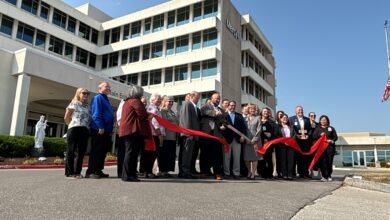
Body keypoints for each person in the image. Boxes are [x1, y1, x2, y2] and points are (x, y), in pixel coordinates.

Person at [118, 85, 151, 182]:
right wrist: (149, 116)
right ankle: (128, 175)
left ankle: (129, 174)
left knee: (130, 153)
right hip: (133, 131)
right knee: (132, 153)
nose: (142, 94)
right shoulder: (136, 101)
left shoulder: (127, 102)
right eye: (141, 92)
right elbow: (142, 115)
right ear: (138, 93)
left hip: (128, 130)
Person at [86, 81, 114, 179]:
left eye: (109, 87)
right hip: (99, 129)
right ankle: (91, 171)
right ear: (100, 88)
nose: (108, 88)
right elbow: (96, 114)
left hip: (106, 130)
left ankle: (98, 170)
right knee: (96, 151)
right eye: (106, 86)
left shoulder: (106, 99)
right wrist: (100, 126)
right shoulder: (98, 98)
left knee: (102, 151)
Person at [63, 88, 90, 179]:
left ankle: (77, 172)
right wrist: (70, 125)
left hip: (84, 130)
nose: (86, 95)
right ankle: (70, 173)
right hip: (74, 129)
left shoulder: (87, 106)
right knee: (71, 151)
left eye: (87, 93)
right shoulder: (74, 103)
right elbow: (66, 117)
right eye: (84, 93)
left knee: (81, 152)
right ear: (78, 94)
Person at [199, 92, 224, 180]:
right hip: (206, 133)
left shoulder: (221, 110)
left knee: (216, 154)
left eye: (219, 99)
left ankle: (217, 173)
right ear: (211, 98)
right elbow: (203, 111)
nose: (218, 100)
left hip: (216, 135)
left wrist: (223, 126)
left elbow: (223, 120)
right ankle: (204, 172)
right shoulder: (205, 106)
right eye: (216, 98)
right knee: (204, 153)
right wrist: (215, 113)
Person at [140, 93, 164, 178]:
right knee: (151, 154)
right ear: (152, 100)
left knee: (150, 154)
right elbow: (154, 123)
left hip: (154, 134)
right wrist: (159, 134)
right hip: (153, 135)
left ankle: (146, 171)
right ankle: (148, 171)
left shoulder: (157, 109)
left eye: (160, 99)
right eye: (158, 99)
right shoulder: (152, 109)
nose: (160, 100)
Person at [221, 101, 246, 179]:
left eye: (234, 105)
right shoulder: (224, 115)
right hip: (226, 140)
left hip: (237, 140)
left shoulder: (239, 116)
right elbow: (220, 125)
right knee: (226, 158)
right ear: (228, 106)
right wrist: (221, 128)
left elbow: (243, 127)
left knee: (237, 158)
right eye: (231, 105)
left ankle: (236, 173)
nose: (232, 107)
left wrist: (243, 136)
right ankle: (227, 173)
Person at [179, 91, 200, 179]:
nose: (198, 99)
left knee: (189, 154)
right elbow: (186, 119)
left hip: (193, 134)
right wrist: (188, 133)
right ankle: (184, 172)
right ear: (192, 96)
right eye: (197, 97)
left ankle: (187, 171)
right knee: (186, 153)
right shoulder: (187, 104)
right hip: (188, 134)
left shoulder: (193, 106)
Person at [289, 106, 312, 179]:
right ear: (295, 111)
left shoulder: (307, 119)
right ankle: (293, 173)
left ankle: (305, 173)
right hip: (296, 141)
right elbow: (291, 130)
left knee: (304, 158)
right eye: (298, 110)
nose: (300, 111)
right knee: (295, 158)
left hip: (305, 142)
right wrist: (297, 136)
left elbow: (310, 129)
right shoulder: (291, 119)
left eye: (301, 110)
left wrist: (308, 135)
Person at [313, 115, 338, 182]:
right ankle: (324, 176)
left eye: (325, 120)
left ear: (327, 121)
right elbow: (314, 136)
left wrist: (332, 140)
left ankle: (329, 176)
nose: (323, 121)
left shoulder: (331, 128)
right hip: (321, 147)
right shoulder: (318, 128)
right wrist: (319, 135)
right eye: (322, 120)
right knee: (323, 162)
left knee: (329, 161)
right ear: (320, 121)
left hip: (330, 147)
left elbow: (335, 137)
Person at [160, 96, 178, 177]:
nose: (171, 103)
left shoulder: (172, 112)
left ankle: (166, 170)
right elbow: (164, 122)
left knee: (170, 154)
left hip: (173, 137)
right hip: (166, 136)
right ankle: (162, 170)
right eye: (169, 101)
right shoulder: (162, 111)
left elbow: (176, 123)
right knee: (165, 154)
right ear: (164, 102)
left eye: (172, 102)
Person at [258, 107, 278, 179]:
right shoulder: (258, 121)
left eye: (266, 111)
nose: (265, 113)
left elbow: (275, 132)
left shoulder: (272, 122)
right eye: (264, 111)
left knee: (269, 159)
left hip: (269, 143)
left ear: (269, 113)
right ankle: (261, 174)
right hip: (260, 142)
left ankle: (269, 174)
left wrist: (270, 136)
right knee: (261, 159)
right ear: (261, 112)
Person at [244, 104, 262, 180]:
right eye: (251, 109)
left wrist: (254, 140)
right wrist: (246, 139)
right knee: (246, 158)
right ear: (248, 110)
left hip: (256, 141)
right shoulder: (245, 118)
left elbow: (259, 130)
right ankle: (249, 172)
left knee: (255, 158)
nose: (252, 111)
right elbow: (243, 130)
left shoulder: (258, 118)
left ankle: (253, 174)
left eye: (254, 109)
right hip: (246, 140)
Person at [278, 113, 296, 180]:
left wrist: (290, 142)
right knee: (283, 160)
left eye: (286, 118)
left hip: (290, 146)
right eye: (283, 118)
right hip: (282, 146)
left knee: (290, 160)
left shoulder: (291, 127)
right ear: (281, 119)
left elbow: (294, 135)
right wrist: (283, 142)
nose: (285, 119)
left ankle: (290, 174)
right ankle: (284, 174)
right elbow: (277, 136)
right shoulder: (278, 127)